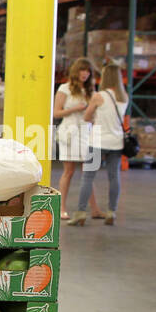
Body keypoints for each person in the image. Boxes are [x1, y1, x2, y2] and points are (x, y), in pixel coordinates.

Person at [70, 61, 128, 226]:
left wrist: (97, 118)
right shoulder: (124, 98)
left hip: (97, 142)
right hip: (116, 142)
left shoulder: (98, 96)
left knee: (88, 177)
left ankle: (80, 213)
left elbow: (86, 117)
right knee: (114, 176)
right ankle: (112, 211)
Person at [54, 58, 104, 219]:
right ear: (76, 72)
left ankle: (94, 209)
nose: (85, 74)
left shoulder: (92, 91)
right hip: (69, 132)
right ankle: (61, 209)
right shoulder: (64, 89)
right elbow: (56, 113)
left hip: (87, 132)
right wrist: (75, 109)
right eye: (82, 70)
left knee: (88, 171)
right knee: (68, 171)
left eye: (88, 71)